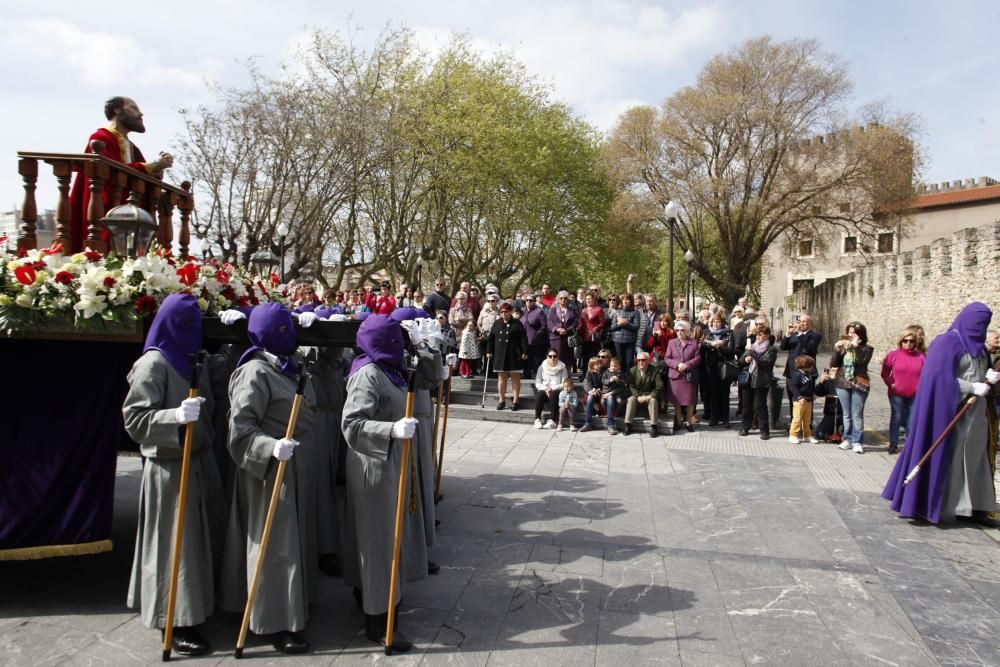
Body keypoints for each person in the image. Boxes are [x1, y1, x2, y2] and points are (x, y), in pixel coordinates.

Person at [121, 294, 223, 656]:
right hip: (169, 465)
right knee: (174, 547)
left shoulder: (194, 359)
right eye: (185, 323)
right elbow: (134, 419)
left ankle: (196, 606)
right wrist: (174, 418)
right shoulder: (154, 363)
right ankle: (174, 617)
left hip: (199, 459)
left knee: (199, 542)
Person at [221, 303, 317, 654]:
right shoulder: (254, 372)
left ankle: (290, 607)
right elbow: (240, 429)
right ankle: (274, 621)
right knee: (274, 545)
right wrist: (270, 447)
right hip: (268, 471)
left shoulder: (286, 366)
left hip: (292, 466)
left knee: (289, 542)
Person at [340, 315, 423, 652]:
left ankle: (373, 595)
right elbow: (352, 424)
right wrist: (389, 430)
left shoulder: (393, 369)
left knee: (388, 537)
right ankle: (379, 621)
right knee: (377, 542)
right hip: (372, 464)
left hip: (392, 461)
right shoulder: (366, 374)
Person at [884, 302, 999, 526]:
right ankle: (932, 504)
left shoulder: (981, 348)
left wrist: (989, 377)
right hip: (949, 411)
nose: (980, 327)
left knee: (976, 458)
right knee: (951, 457)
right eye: (977, 322)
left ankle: (976, 506)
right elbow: (937, 379)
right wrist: (970, 387)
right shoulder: (946, 343)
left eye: (984, 323)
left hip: (977, 415)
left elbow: (980, 372)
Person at [68, 96, 174, 253]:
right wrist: (154, 165)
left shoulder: (131, 147)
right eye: (134, 108)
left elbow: (141, 175)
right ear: (117, 110)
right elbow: (112, 171)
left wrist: (158, 169)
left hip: (127, 215)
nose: (141, 114)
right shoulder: (101, 138)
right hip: (106, 212)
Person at [829, 322, 874, 454]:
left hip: (859, 384)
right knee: (847, 414)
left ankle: (857, 441)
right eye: (849, 332)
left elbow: (862, 362)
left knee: (857, 414)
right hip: (843, 382)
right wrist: (837, 350)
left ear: (860, 335)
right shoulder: (844, 348)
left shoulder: (867, 348)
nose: (851, 335)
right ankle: (847, 439)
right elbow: (834, 363)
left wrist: (856, 347)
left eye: (854, 332)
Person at [881, 328, 927, 454]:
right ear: (900, 342)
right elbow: (885, 372)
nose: (908, 344)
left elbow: (926, 374)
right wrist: (891, 383)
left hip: (914, 393)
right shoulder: (893, 355)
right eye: (905, 341)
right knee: (896, 417)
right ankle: (893, 443)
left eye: (911, 341)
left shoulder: (921, 357)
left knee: (911, 420)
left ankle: (909, 445)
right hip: (896, 393)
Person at [780, 314, 822, 427]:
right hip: (791, 371)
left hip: (807, 373)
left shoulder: (815, 335)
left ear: (810, 324)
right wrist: (788, 334)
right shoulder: (794, 334)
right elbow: (783, 347)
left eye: (804, 322)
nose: (801, 324)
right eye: (800, 321)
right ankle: (794, 423)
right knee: (793, 398)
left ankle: (807, 425)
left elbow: (810, 348)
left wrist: (800, 335)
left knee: (807, 400)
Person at [738, 324, 777, 440]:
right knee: (746, 405)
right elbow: (741, 360)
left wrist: (753, 354)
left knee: (760, 406)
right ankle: (745, 427)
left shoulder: (771, 349)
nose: (759, 337)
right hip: (749, 378)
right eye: (758, 334)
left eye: (762, 335)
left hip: (762, 380)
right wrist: (745, 359)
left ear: (767, 336)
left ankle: (764, 430)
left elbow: (766, 363)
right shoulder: (752, 346)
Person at [487, 302, 528, 410]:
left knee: (515, 377)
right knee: (501, 378)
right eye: (502, 312)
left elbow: (523, 338)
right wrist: (489, 351)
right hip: (500, 354)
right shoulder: (497, 323)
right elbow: (491, 339)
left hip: (514, 354)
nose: (504, 314)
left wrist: (525, 351)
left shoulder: (517, 323)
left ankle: (515, 401)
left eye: (506, 311)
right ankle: (501, 400)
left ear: (510, 312)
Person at [665, 320, 701, 431]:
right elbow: (667, 358)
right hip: (676, 376)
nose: (679, 332)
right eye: (677, 330)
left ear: (688, 332)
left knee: (690, 400)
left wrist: (687, 365)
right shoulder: (671, 342)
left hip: (689, 375)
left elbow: (698, 358)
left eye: (682, 330)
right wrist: (677, 365)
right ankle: (679, 421)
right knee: (677, 401)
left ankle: (689, 423)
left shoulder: (694, 343)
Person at [701, 313, 732, 425]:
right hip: (711, 366)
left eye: (718, 321)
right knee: (713, 393)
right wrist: (711, 344)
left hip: (724, 366)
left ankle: (725, 418)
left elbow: (731, 351)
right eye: (714, 321)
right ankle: (714, 417)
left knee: (724, 393)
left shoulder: (728, 334)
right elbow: (702, 347)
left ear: (722, 322)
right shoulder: (707, 333)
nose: (716, 324)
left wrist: (720, 346)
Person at [624, 351, 663, 436]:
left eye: (643, 360)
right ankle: (628, 425)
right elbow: (630, 386)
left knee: (653, 400)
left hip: (649, 395)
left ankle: (654, 426)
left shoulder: (654, 371)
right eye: (638, 360)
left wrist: (649, 396)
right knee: (630, 399)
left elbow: (659, 386)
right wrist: (637, 396)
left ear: (648, 361)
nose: (640, 362)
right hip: (637, 394)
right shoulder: (632, 370)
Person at [533, 349, 568, 429]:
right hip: (545, 390)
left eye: (555, 356)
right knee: (539, 395)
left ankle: (553, 421)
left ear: (557, 357)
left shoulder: (562, 368)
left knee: (554, 394)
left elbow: (564, 383)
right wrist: (546, 389)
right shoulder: (542, 367)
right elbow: (538, 382)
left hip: (557, 390)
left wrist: (551, 389)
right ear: (547, 357)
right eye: (550, 356)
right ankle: (537, 419)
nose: (552, 358)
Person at [787, 355, 818, 444]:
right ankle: (793, 435)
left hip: (808, 400)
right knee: (797, 418)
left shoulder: (809, 375)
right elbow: (793, 387)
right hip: (799, 401)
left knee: (807, 419)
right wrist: (799, 397)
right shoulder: (796, 374)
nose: (812, 367)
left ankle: (807, 435)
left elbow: (810, 386)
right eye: (811, 365)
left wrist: (813, 393)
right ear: (805, 365)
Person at [546, 290, 579, 370]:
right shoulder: (553, 309)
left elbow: (575, 322)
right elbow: (549, 321)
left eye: (565, 298)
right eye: (561, 298)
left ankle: (567, 377)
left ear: (568, 299)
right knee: (555, 356)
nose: (563, 300)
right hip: (555, 338)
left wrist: (567, 330)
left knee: (568, 358)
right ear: (558, 299)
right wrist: (556, 329)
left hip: (568, 337)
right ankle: (555, 375)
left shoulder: (572, 310)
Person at [577, 291, 607, 373]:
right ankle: (585, 374)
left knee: (594, 356)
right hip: (584, 336)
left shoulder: (598, 309)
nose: (588, 300)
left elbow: (602, 322)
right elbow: (581, 323)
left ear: (594, 299)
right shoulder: (584, 310)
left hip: (594, 337)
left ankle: (595, 373)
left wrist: (596, 329)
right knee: (585, 356)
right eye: (587, 299)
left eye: (590, 299)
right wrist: (577, 330)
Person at [610, 293, 640, 373]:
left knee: (629, 362)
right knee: (619, 362)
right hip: (617, 341)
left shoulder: (635, 312)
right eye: (623, 299)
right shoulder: (617, 312)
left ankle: (628, 381)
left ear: (631, 301)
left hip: (630, 342)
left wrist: (626, 323)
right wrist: (619, 324)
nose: (625, 301)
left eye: (627, 299)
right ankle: (620, 381)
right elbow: (612, 328)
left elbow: (636, 327)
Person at [521, 293, 548, 378]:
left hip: (536, 341)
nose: (528, 302)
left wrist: (537, 334)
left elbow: (544, 326)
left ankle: (538, 376)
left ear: (534, 302)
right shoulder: (521, 311)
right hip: (524, 341)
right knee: (525, 359)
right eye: (527, 300)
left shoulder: (539, 311)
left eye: (530, 300)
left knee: (536, 361)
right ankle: (526, 375)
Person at [601, 357, 629, 435]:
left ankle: (612, 417)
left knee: (619, 400)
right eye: (612, 365)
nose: (613, 367)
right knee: (607, 400)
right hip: (606, 392)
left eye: (615, 366)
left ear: (619, 366)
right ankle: (611, 422)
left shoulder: (621, 373)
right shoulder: (606, 372)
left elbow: (623, 386)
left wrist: (617, 380)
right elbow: (603, 381)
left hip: (616, 393)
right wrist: (610, 380)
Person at [579, 357, 605, 433]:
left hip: (601, 392)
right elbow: (586, 382)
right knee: (589, 397)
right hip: (593, 392)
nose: (599, 365)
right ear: (592, 365)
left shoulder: (604, 371)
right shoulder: (589, 372)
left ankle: (598, 411)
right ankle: (587, 423)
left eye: (599, 363)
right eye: (596, 364)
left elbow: (605, 383)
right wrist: (590, 390)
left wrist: (600, 390)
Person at [477, 295, 501, 372]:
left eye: (493, 301)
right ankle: (485, 371)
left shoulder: (500, 312)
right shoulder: (483, 311)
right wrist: (481, 331)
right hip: (485, 336)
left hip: (496, 336)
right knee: (485, 354)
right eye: (489, 301)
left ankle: (493, 372)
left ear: (496, 302)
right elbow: (478, 323)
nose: (490, 302)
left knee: (494, 354)